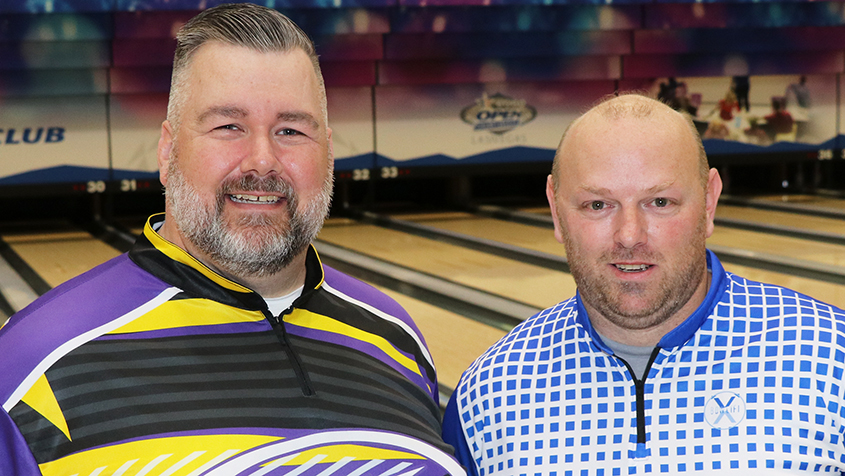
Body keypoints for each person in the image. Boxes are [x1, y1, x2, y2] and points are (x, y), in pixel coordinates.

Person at [0, 4, 464, 475]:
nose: (261, 161)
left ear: (328, 151)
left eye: (291, 129)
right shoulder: (33, 366)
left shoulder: (397, 340)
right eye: (228, 127)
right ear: (166, 150)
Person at [442, 93, 845, 475]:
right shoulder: (491, 391)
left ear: (708, 203)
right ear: (555, 209)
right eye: (597, 205)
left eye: (660, 202)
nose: (630, 235)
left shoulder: (831, 359)